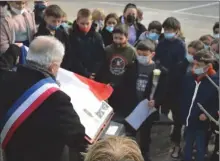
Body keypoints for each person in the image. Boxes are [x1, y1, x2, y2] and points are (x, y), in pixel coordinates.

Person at [0, 36, 86, 161]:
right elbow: (77, 136)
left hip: (12, 154)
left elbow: (2, 66)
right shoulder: (56, 99)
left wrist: (14, 50)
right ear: (53, 67)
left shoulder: (6, 79)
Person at [154, 16, 186, 159]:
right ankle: (160, 141)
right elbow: (156, 58)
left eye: (170, 30)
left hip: (176, 88)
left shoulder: (180, 45)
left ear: (177, 31)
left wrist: (170, 71)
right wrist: (160, 66)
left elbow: (181, 66)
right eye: (166, 30)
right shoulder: (162, 43)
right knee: (161, 114)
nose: (168, 32)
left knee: (177, 119)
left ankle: (176, 144)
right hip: (162, 86)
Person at [180, 49, 219, 161]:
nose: (195, 67)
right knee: (187, 144)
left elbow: (217, 103)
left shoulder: (215, 81)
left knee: (200, 147)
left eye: (199, 65)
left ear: (208, 66)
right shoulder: (189, 77)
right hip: (188, 119)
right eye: (194, 64)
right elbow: (184, 96)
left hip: (202, 122)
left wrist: (208, 114)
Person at [96, 24, 136, 118]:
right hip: (110, 84)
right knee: (110, 107)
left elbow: (133, 69)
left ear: (127, 37)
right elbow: (104, 67)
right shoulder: (108, 50)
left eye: (120, 38)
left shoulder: (132, 51)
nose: (117, 40)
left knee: (121, 109)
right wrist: (105, 82)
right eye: (115, 38)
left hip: (123, 85)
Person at [62, 8, 105, 79]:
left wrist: (94, 72)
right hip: (76, 73)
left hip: (93, 73)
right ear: (77, 21)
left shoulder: (97, 36)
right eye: (82, 24)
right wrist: (85, 73)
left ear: (91, 22)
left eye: (87, 24)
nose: (85, 26)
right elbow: (73, 57)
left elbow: (100, 56)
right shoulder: (71, 36)